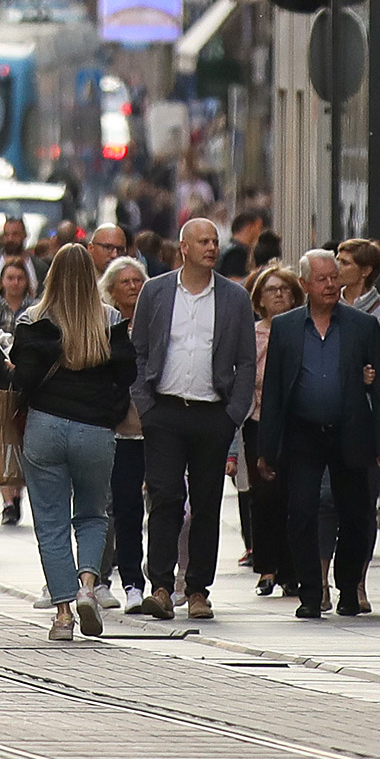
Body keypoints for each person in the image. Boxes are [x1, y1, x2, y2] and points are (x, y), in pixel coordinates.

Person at [257, 249, 380, 622]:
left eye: (335, 277)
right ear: (304, 285)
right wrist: (267, 449)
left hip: (349, 431)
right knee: (300, 512)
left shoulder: (362, 326)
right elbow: (273, 392)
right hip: (302, 432)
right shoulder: (285, 328)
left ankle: (349, 588)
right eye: (322, 279)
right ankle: (310, 592)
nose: (331, 284)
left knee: (355, 514)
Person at [2, 243, 131, 639]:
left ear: (52, 276)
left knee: (51, 521)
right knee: (93, 514)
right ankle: (89, 587)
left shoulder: (32, 320)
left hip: (46, 427)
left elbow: (21, 379)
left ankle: (62, 614)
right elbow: (128, 372)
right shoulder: (108, 320)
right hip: (94, 429)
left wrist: (12, 365)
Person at [130, 215, 252, 621]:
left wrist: (233, 414)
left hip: (212, 413)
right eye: (202, 241)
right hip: (164, 411)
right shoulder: (156, 291)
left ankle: (199, 588)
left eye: (214, 241)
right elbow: (139, 351)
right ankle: (161, 586)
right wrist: (144, 405)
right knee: (164, 497)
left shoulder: (235, 298)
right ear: (183, 247)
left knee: (207, 503)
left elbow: (245, 362)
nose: (211, 247)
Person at [237, 262, 300, 596]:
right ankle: (266, 568)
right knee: (263, 496)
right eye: (271, 290)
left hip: (295, 423)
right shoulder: (251, 334)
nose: (279, 295)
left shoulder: (300, 328)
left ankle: (291, 571)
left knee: (293, 495)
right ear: (259, 298)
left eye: (284, 289)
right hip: (258, 422)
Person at [100, 256, 148, 609]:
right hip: (115, 429)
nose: (133, 287)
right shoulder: (105, 326)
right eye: (126, 282)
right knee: (117, 507)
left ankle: (141, 581)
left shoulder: (153, 324)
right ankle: (106, 578)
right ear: (112, 290)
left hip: (151, 428)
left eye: (138, 281)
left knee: (147, 508)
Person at [0, 248, 38, 531]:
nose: (15, 283)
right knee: (4, 440)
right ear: (2, 281)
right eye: (10, 277)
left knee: (25, 442)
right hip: (1, 382)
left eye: (19, 278)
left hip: (29, 384)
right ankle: (9, 500)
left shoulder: (35, 308)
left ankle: (21, 492)